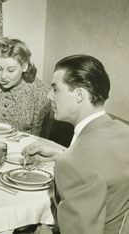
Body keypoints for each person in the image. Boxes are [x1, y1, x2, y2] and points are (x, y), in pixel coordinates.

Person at [22, 54, 129, 234]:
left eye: (55, 89)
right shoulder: (123, 131)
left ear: (79, 95)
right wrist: (60, 155)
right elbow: (101, 168)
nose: (49, 96)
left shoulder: (75, 163)